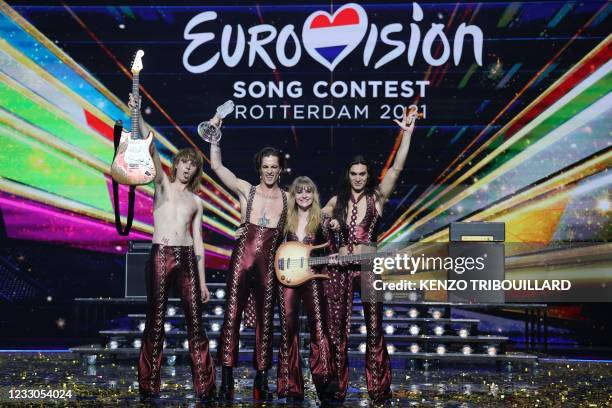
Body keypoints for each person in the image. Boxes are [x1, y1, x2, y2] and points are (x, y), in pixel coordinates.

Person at [322, 106, 418, 402]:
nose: (359, 178)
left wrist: (407, 132)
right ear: (347, 174)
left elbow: (398, 168)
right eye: (354, 173)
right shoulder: (337, 199)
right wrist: (329, 220)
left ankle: (378, 388)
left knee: (374, 328)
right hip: (340, 271)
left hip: (367, 269)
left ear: (368, 175)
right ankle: (336, 388)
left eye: (363, 173)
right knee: (337, 332)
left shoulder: (377, 196)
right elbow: (317, 215)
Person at [128, 94, 216, 402]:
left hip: (188, 258)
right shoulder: (162, 184)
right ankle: (149, 386)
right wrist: (137, 114)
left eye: (193, 165)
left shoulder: (197, 201)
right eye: (184, 162)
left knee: (196, 324)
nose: (188, 168)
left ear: (195, 171)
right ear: (176, 164)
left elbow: (200, 243)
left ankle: (205, 387)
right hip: (161, 255)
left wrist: (204, 282)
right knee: (156, 320)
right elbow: (149, 145)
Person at [210, 140, 287, 401]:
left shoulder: (287, 199)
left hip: (268, 266)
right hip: (242, 260)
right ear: (259, 168)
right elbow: (217, 166)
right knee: (231, 316)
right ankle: (227, 378)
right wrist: (216, 140)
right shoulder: (247, 190)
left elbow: (312, 217)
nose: (269, 171)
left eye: (273, 167)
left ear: (280, 170)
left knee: (266, 321)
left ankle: (262, 377)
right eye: (265, 167)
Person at [277, 176, 338, 403]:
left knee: (319, 327)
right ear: (294, 195)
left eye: (308, 191)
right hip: (288, 279)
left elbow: (331, 249)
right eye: (300, 191)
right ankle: (291, 385)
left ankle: (324, 382)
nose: (304, 195)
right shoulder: (285, 219)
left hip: (313, 277)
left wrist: (336, 228)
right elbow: (274, 247)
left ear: (314, 194)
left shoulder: (322, 219)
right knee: (288, 328)